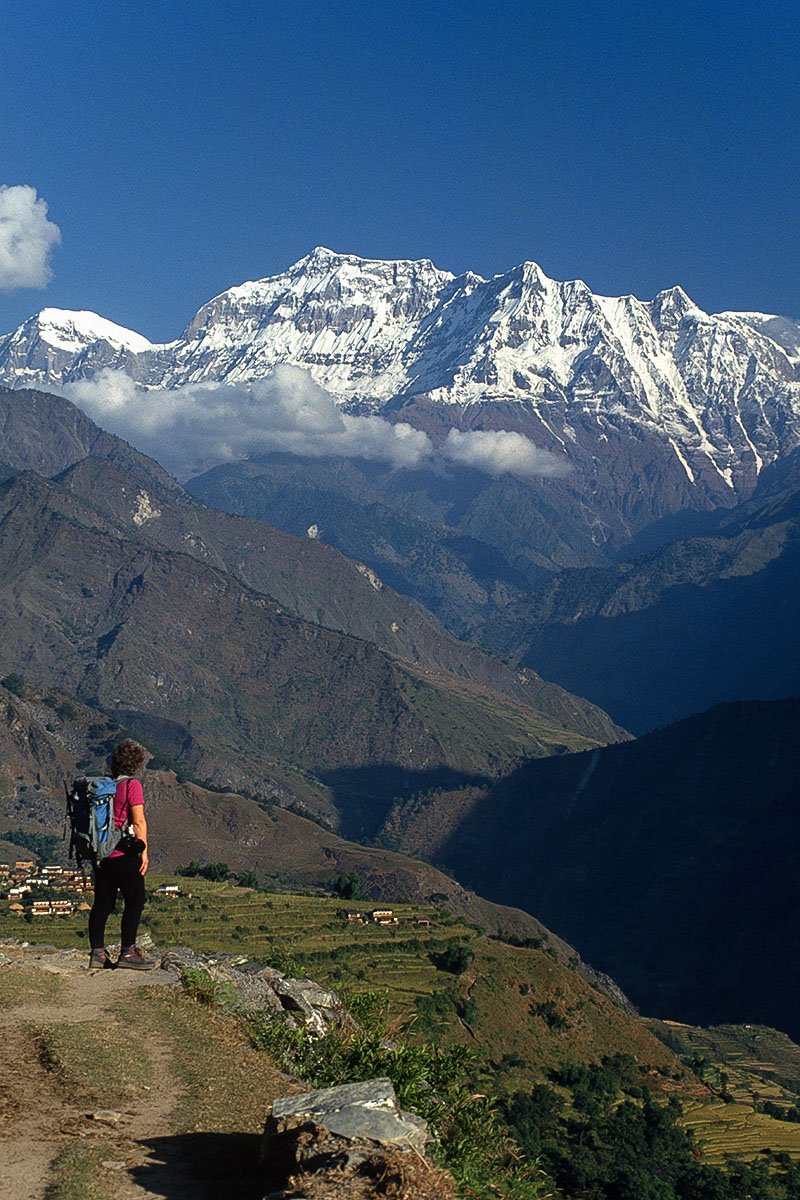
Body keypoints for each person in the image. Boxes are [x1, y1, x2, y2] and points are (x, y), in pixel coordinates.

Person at [88, 739, 155, 970]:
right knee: (135, 900)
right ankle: (128, 953)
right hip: (123, 854)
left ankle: (97, 954)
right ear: (136, 764)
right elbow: (138, 821)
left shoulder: (103, 785)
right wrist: (143, 851)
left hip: (101, 855)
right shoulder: (131, 786)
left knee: (103, 904)